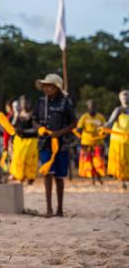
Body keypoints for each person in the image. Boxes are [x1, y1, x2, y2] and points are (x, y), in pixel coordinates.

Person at [33, 74, 77, 217]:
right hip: (45, 144)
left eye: (50, 86)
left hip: (61, 144)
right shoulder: (40, 102)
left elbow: (73, 123)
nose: (47, 88)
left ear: (57, 87)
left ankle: (60, 209)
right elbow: (34, 120)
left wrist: (59, 133)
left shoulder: (66, 103)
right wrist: (39, 128)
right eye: (45, 85)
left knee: (59, 177)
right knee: (47, 174)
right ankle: (49, 209)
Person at [9, 95, 39, 184]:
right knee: (19, 159)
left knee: (30, 160)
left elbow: (36, 129)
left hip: (31, 140)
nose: (25, 104)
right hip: (20, 141)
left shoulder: (33, 115)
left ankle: (30, 177)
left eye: (26, 102)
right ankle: (20, 176)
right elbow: (12, 127)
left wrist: (25, 131)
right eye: (23, 102)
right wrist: (16, 115)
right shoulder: (17, 115)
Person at [76, 100, 106, 184]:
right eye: (90, 106)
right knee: (88, 161)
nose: (92, 108)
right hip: (86, 143)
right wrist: (79, 130)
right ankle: (92, 178)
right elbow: (79, 127)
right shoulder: (84, 117)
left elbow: (105, 127)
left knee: (98, 161)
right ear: (88, 107)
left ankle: (99, 177)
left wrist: (103, 131)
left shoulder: (100, 117)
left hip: (98, 142)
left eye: (93, 106)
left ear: (96, 107)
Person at [105, 90, 129, 189]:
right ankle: (123, 180)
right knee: (122, 161)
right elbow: (110, 123)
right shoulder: (118, 110)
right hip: (119, 141)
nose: (125, 97)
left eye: (127, 95)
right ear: (120, 98)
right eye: (123, 95)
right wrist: (103, 128)